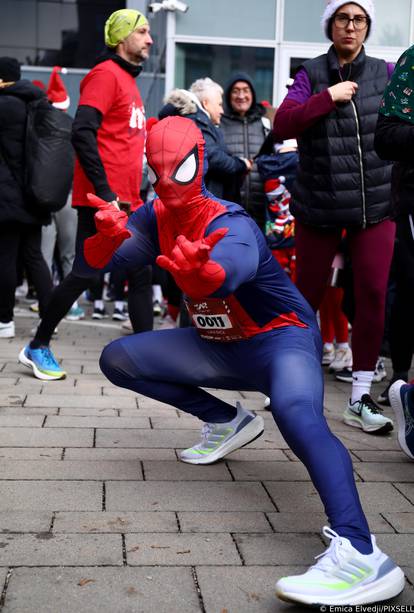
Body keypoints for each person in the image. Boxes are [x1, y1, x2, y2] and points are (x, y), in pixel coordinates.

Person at [74, 116, 404, 606]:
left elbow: (232, 268)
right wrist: (105, 237)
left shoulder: (232, 221)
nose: (167, 182)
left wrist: (207, 271)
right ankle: (227, 420)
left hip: (279, 342)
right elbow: (103, 265)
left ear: (199, 164)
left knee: (296, 414)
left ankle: (361, 551)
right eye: (158, 170)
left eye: (178, 170)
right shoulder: (154, 215)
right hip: (218, 345)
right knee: (118, 358)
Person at [273, 0, 395, 434]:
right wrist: (326, 98)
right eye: (343, 18)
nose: (351, 26)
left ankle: (360, 395)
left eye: (359, 19)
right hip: (320, 205)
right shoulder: (311, 73)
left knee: (373, 295)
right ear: (331, 26)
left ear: (367, 28)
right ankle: (291, 383)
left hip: (376, 206)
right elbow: (283, 125)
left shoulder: (386, 72)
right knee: (303, 298)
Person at [18, 8, 154, 380]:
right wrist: (106, 191)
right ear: (122, 37)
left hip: (129, 201)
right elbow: (82, 131)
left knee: (141, 274)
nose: (149, 39)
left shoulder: (128, 81)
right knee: (85, 276)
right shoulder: (104, 75)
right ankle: (37, 345)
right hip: (103, 202)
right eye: (142, 32)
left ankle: (152, 360)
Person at [0, 57, 53, 339]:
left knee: (6, 256)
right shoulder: (38, 103)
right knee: (34, 257)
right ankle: (49, 319)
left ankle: (4, 320)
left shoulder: (4, 106)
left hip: (7, 195)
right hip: (36, 193)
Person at [374, 43, 414, 409]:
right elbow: (384, 138)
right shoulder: (412, 62)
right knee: (410, 292)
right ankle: (400, 378)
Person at [159, 81, 251, 199]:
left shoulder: (197, 121)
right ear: (206, 104)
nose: (222, 111)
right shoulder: (197, 122)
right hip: (204, 203)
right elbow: (213, 157)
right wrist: (241, 164)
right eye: (219, 104)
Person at [220, 72, 271, 230]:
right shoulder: (219, 123)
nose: (241, 96)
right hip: (229, 208)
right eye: (235, 91)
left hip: (262, 208)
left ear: (252, 94)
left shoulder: (265, 123)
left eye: (245, 90)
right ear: (228, 95)